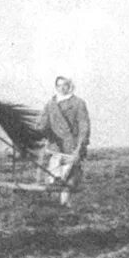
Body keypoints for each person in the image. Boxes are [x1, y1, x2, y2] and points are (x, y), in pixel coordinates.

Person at [37, 76, 90, 208]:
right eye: (59, 85)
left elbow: (84, 126)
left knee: (69, 178)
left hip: (72, 146)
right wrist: (41, 130)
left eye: (65, 85)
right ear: (56, 87)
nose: (62, 88)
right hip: (55, 146)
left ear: (70, 86)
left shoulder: (78, 103)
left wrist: (80, 146)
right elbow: (42, 123)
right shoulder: (50, 104)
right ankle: (57, 207)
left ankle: (65, 205)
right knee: (54, 177)